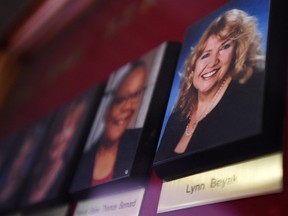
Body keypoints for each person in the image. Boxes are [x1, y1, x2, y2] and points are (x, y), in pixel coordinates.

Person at [155, 9, 265, 161]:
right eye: (205, 54)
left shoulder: (248, 97)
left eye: (225, 47)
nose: (213, 61)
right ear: (192, 68)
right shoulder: (178, 115)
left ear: (237, 54)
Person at [71, 60, 147, 191]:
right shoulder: (79, 165)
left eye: (135, 95)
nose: (128, 107)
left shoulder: (141, 143)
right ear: (105, 106)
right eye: (120, 99)